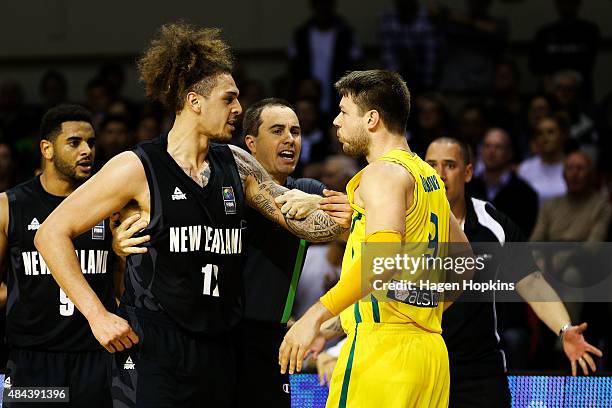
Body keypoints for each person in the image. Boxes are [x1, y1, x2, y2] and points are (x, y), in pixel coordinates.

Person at [34, 23, 344, 407]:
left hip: (220, 345)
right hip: (155, 346)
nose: (238, 109)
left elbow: (298, 219)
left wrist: (352, 212)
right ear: (195, 102)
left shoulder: (237, 163)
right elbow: (50, 234)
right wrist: (98, 316)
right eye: (229, 99)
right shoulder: (137, 166)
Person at [280, 70, 470, 408]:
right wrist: (415, 305)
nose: (336, 121)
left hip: (381, 352)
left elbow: (380, 263)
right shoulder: (427, 177)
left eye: (343, 112)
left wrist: (315, 316)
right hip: (429, 356)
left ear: (371, 119)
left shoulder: (381, 173)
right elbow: (464, 265)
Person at [424, 137, 602, 407]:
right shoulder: (405, 223)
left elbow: (531, 282)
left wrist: (565, 329)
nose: (439, 174)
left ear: (468, 172)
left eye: (450, 165)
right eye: (431, 165)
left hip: (480, 371)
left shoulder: (493, 225)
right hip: (420, 367)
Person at [0, 104, 120, 407]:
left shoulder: (110, 204)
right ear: (47, 149)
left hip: (97, 356)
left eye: (91, 143)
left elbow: (123, 276)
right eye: (74, 142)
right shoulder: (9, 205)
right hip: (31, 361)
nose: (87, 151)